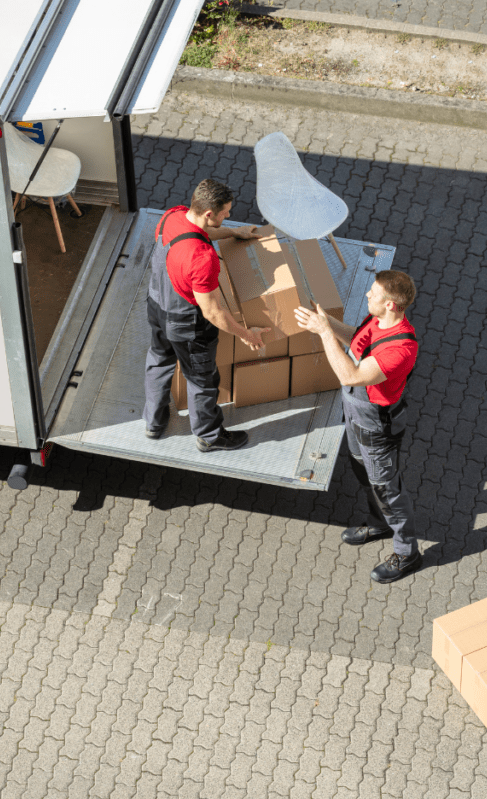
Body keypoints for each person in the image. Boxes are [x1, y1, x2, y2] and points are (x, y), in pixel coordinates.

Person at [294, 270, 421, 583]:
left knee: (387, 490)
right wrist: (327, 321)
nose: (367, 295)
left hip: (376, 427)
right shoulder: (376, 320)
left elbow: (350, 375)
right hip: (355, 415)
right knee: (361, 471)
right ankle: (379, 524)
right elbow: (357, 341)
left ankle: (407, 552)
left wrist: (324, 334)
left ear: (391, 305)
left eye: (374, 293)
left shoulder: (400, 349)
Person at [143, 179, 267, 452]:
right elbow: (212, 312)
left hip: (156, 305)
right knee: (202, 380)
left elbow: (194, 234)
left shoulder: (172, 216)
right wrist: (247, 335)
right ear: (209, 213)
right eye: (226, 213)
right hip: (187, 324)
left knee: (159, 360)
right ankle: (209, 436)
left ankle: (153, 422)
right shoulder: (202, 259)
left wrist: (235, 233)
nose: (229, 215)